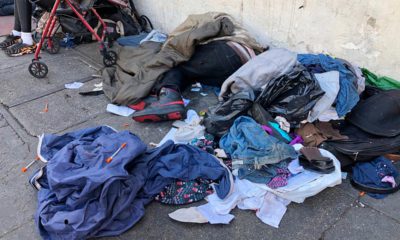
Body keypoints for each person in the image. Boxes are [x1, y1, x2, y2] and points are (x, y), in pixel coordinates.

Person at [130, 40, 257, 122]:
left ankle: (168, 97)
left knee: (176, 64)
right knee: (190, 74)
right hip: (239, 69)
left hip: (229, 53)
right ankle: (163, 95)